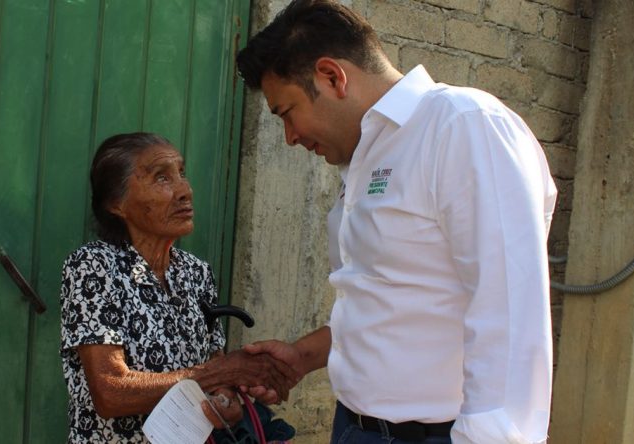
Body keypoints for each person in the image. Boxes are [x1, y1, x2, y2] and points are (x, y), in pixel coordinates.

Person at [235, 1, 557, 443]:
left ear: (332, 76)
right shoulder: (365, 157)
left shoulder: (462, 126)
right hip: (356, 426)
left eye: (286, 112)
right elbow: (391, 301)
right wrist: (300, 356)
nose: (290, 138)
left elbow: (508, 313)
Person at [59, 132, 297, 443]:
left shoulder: (195, 272)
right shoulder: (94, 266)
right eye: (162, 178)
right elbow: (110, 392)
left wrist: (226, 401)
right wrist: (224, 372)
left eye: (181, 174)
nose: (185, 191)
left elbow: (216, 369)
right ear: (117, 204)